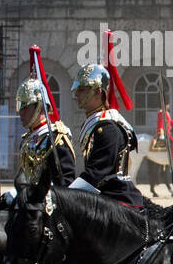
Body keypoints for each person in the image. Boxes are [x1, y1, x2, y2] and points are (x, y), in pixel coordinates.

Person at [69, 44, 145, 206]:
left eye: (82, 89)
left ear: (98, 92)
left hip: (116, 197)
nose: (76, 94)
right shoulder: (96, 123)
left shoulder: (108, 128)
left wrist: (66, 195)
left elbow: (97, 173)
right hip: (101, 197)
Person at [12, 47, 75, 191]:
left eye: (25, 108)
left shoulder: (56, 138)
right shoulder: (27, 140)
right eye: (20, 108)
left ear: (40, 107)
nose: (20, 113)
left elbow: (65, 183)